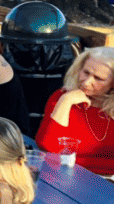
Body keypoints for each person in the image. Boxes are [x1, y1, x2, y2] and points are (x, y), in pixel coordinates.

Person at [36, 46, 114, 176]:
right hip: (64, 176)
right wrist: (66, 101)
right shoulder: (62, 97)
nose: (87, 82)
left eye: (98, 78)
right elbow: (47, 146)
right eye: (86, 72)